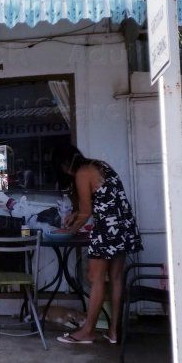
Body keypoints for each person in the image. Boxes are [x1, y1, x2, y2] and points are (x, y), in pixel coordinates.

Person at [52, 144, 142, 345]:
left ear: (65, 165)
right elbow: (101, 201)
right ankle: (113, 332)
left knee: (96, 277)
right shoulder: (100, 165)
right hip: (123, 226)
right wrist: (77, 216)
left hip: (107, 230)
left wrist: (68, 231)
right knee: (116, 279)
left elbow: (85, 213)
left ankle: (88, 331)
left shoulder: (82, 173)